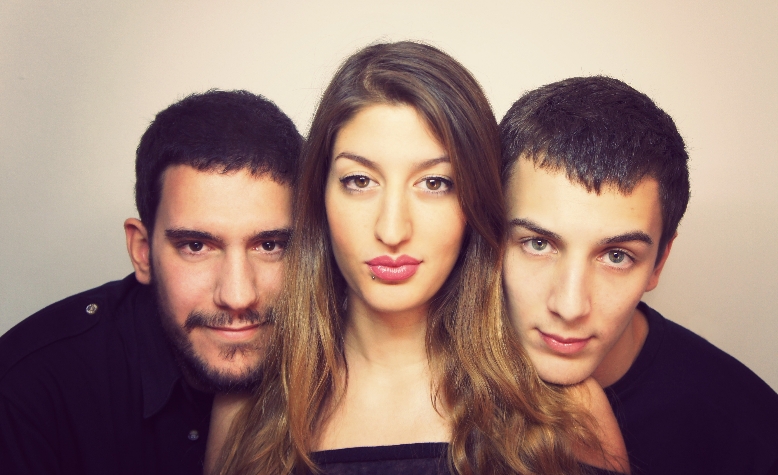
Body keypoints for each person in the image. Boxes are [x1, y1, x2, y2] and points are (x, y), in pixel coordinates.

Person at [213, 42, 627, 475]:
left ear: (474, 202)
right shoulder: (246, 409)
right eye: (360, 181)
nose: (392, 230)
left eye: (434, 183)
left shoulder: (566, 410)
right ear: (320, 197)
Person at [500, 76, 778, 474]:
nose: (569, 307)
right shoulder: (426, 383)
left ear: (658, 263)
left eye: (617, 256)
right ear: (490, 237)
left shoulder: (763, 443)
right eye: (538, 244)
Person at [0, 90, 303, 475]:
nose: (238, 295)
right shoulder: (26, 391)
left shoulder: (349, 363)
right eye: (196, 246)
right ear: (143, 252)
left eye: (270, 245)